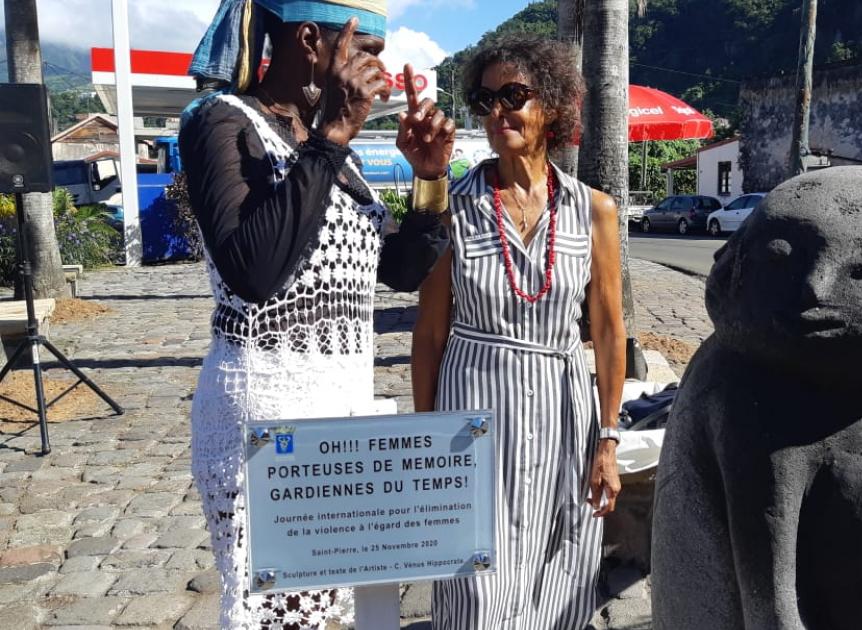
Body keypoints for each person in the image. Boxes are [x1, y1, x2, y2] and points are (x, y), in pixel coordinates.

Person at [181, 1, 455, 627]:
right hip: (263, 423)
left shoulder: (337, 152)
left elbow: (402, 269)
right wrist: (333, 134)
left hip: (341, 423)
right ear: (310, 39)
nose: (377, 73)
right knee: (276, 614)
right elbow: (252, 270)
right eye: (368, 52)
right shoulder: (221, 121)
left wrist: (430, 179)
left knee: (325, 610)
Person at [410, 34, 626, 630]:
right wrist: (428, 443)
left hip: (563, 413)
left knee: (559, 579)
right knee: (475, 588)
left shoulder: (594, 211)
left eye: (514, 95)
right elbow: (429, 336)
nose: (497, 112)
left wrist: (607, 441)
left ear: (551, 105)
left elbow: (608, 334)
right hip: (472, 413)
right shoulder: (454, 207)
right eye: (484, 101)